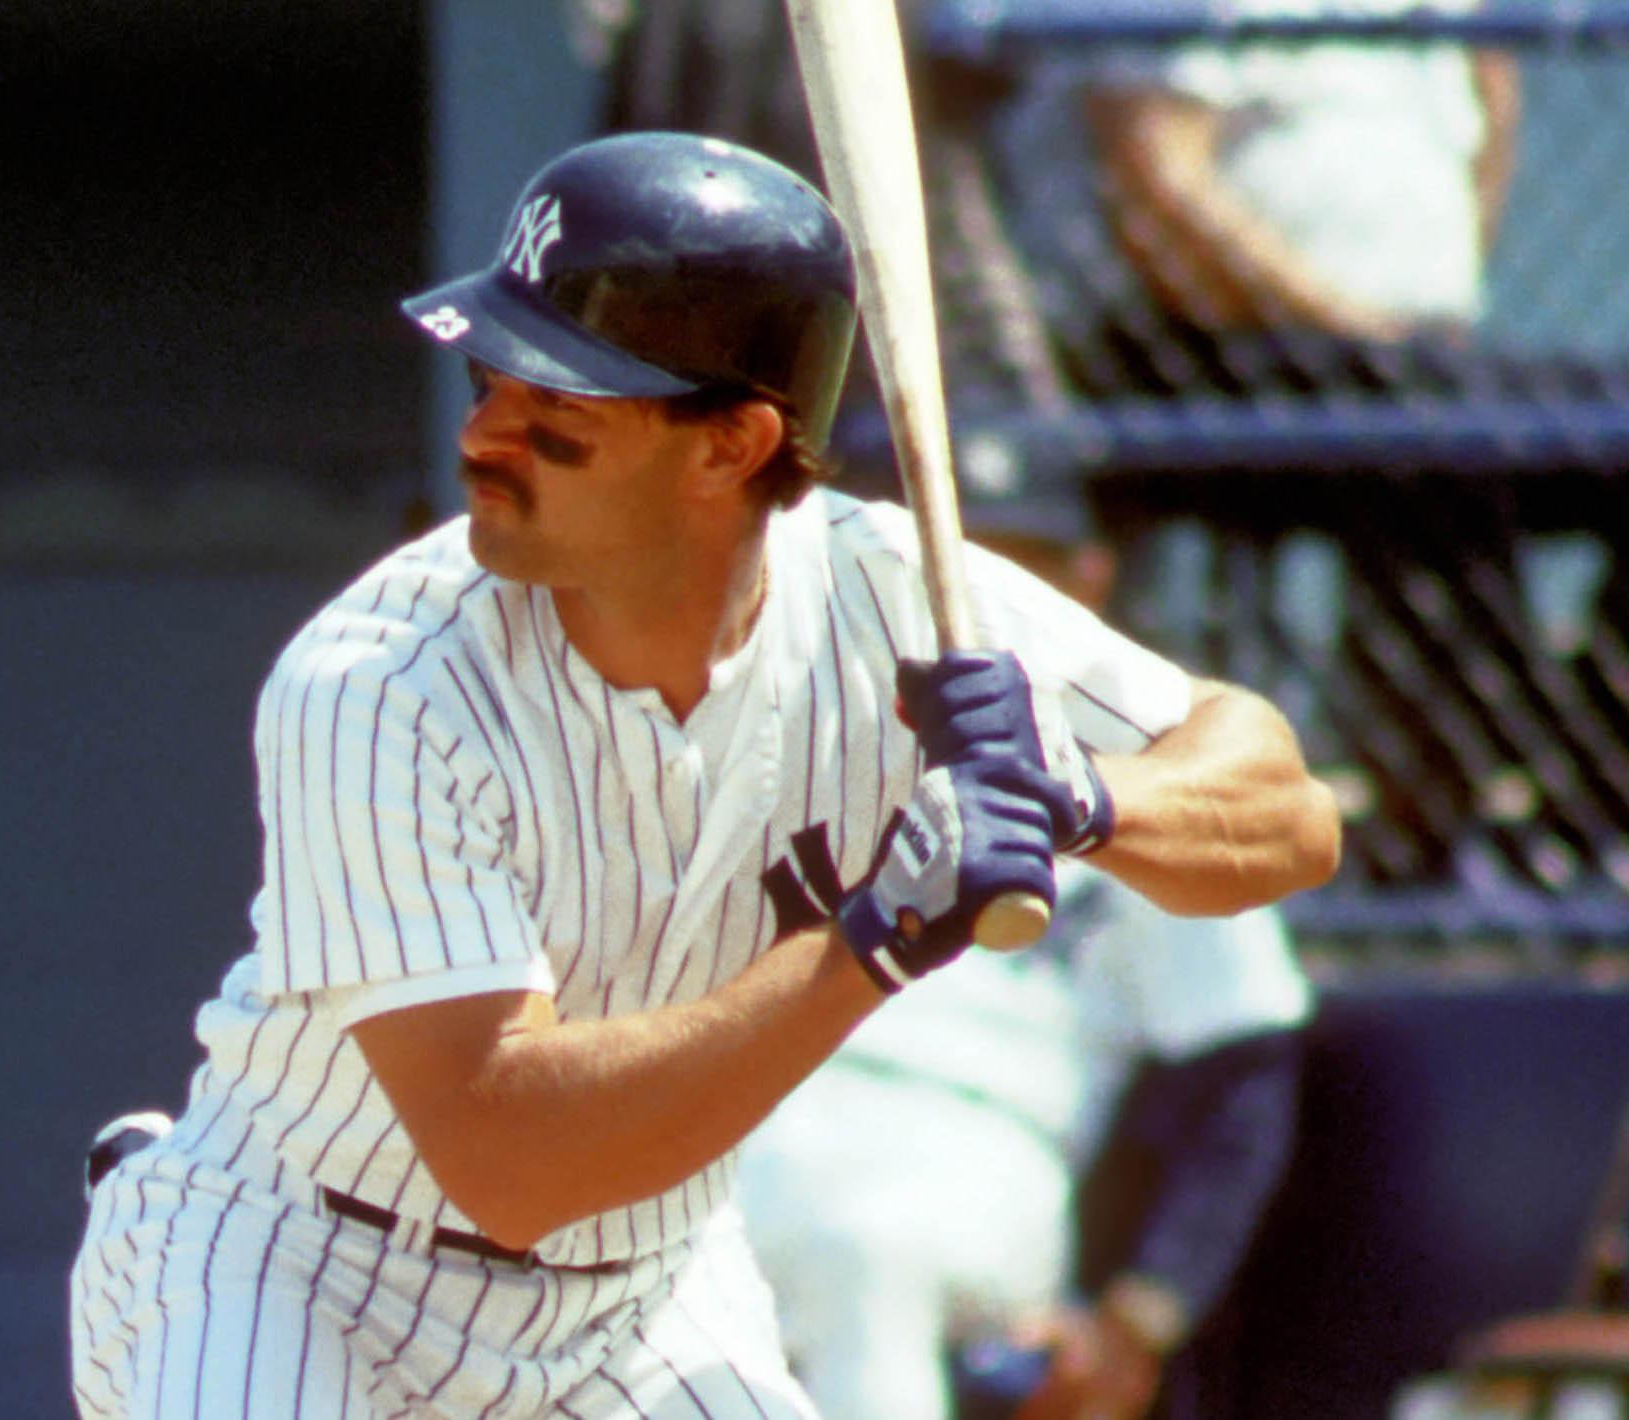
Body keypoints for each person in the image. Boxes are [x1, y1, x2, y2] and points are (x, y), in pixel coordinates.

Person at [68, 131, 1342, 1419]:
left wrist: (1076, 797)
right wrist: (879, 938)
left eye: (557, 407)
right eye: (486, 380)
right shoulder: (379, 676)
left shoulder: (885, 592)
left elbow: (1283, 812)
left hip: (639, 1289)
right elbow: (504, 1155)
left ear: (729, 445)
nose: (488, 438)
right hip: (307, 1260)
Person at [732, 480, 1314, 1420]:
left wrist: (1141, 1317)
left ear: (1086, 580)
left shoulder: (1150, 784)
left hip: (977, 1147)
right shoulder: (801, 740)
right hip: (762, 1110)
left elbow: (1240, 1083)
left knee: (863, 1249)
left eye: (1017, 565)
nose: (974, 597)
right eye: (953, 567)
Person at [1076, 0, 1521, 398]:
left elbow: (1491, 120)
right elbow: (1155, 180)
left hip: (1421, 357)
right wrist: (1346, 327)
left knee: (1567, 417)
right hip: (1246, 366)